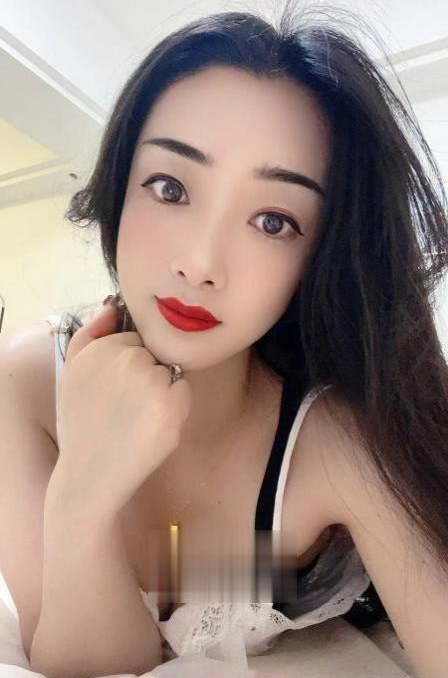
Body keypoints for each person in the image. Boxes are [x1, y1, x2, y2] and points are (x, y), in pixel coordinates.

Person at [1, 1, 447, 676]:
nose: (200, 264)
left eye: (273, 221)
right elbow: (86, 664)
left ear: (319, 253)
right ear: (120, 185)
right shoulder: (28, 383)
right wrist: (81, 499)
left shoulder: (333, 434)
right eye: (170, 187)